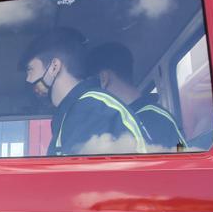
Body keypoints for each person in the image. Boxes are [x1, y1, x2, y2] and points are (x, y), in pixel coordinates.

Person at [20, 28, 147, 156]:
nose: (28, 79)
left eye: (30, 70)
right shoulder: (76, 112)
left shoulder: (93, 110)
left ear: (54, 67)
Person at [87, 42, 187, 150]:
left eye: (90, 84)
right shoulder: (160, 118)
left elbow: (182, 154)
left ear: (103, 78)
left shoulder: (157, 118)